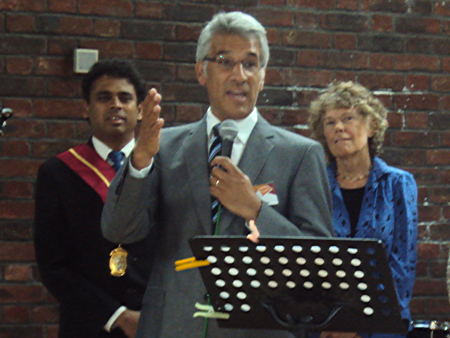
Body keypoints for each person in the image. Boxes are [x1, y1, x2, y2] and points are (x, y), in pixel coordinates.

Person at [101, 11, 333, 338]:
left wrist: (255, 209)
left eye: (250, 64)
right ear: (201, 71)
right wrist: (139, 161)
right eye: (225, 61)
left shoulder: (299, 154)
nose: (239, 75)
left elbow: (318, 265)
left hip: (258, 330)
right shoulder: (163, 146)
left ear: (263, 76)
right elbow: (118, 229)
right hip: (173, 325)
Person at [34, 59, 157, 338]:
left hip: (156, 322)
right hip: (89, 324)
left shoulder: (163, 170)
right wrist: (118, 316)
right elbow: (53, 266)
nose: (115, 104)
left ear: (139, 111)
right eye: (104, 97)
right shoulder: (57, 173)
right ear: (86, 109)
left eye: (124, 97)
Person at [308, 81, 418, 338]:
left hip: (381, 326)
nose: (339, 128)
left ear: (372, 126)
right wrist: (332, 323)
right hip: (324, 327)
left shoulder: (397, 184)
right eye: (330, 122)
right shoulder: (314, 185)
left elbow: (403, 266)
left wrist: (358, 326)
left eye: (348, 118)